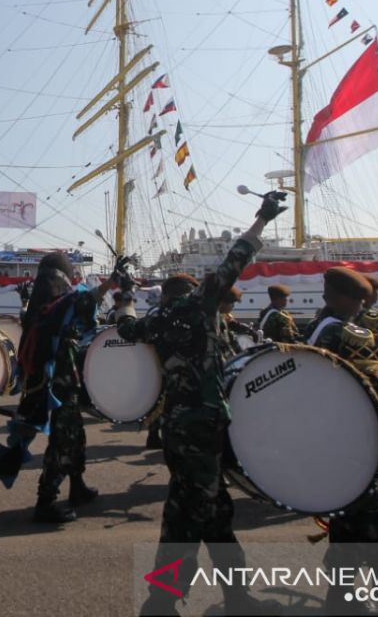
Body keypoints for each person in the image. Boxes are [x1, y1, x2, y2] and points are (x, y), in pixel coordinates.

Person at [117, 191, 287, 615]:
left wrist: (124, 293)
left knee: (214, 512)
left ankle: (237, 597)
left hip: (178, 424)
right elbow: (236, 258)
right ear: (194, 294)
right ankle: (161, 602)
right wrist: (262, 219)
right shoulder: (199, 305)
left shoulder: (155, 320)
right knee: (187, 516)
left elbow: (124, 325)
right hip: (203, 422)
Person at [305, 267, 378, 612]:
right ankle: (343, 601)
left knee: (356, 515)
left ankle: (377, 582)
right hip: (351, 436)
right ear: (345, 298)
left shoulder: (317, 328)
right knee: (356, 515)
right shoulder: (346, 333)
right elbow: (372, 391)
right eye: (358, 300)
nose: (361, 306)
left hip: (328, 433)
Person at [0, 251, 118, 523]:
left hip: (63, 387)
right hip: (58, 389)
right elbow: (82, 300)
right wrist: (109, 282)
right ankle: (46, 502)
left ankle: (76, 486)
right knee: (62, 442)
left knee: (75, 438)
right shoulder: (55, 308)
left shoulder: (42, 308)